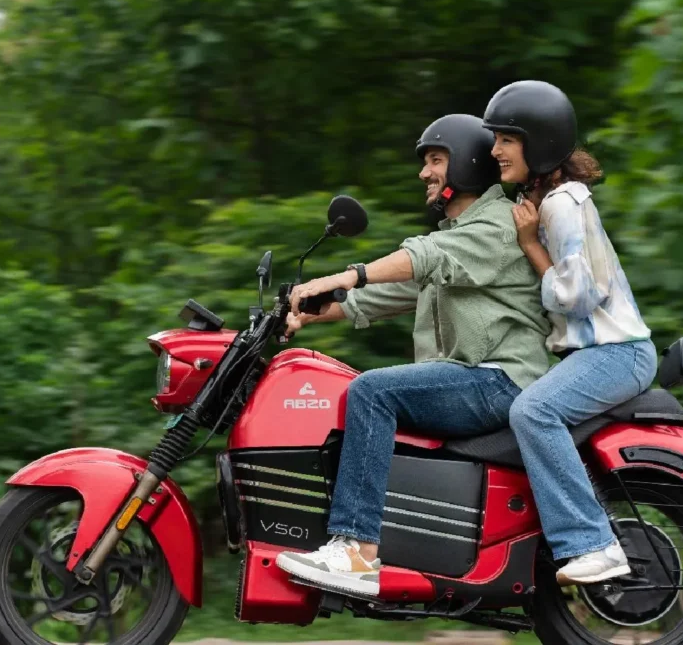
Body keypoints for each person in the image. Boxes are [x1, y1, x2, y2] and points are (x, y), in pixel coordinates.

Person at [274, 114, 551, 596]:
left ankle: (356, 551)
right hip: (471, 377)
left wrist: (345, 275)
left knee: (372, 392)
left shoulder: (496, 226)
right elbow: (389, 294)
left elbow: (425, 257)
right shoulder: (460, 233)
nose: (425, 173)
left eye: (435, 160)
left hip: (499, 380)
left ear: (465, 164)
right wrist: (306, 314)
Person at [483, 80, 657, 585]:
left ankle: (593, 544)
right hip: (605, 353)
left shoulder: (560, 205)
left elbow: (579, 295)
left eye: (506, 140)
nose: (495, 150)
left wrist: (529, 242)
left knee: (533, 411)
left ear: (537, 143)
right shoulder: (556, 200)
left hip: (616, 352)